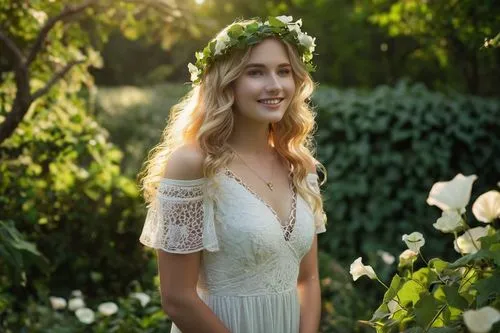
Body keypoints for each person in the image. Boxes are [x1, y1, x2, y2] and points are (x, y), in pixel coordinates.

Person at [138, 15, 328, 333]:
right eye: (255, 72)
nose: (275, 85)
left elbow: (307, 279)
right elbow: (177, 298)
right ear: (227, 83)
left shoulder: (299, 165)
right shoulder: (193, 164)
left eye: (284, 71)